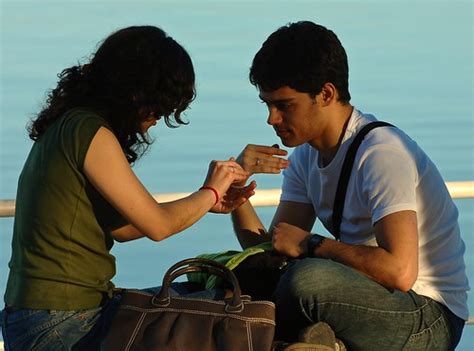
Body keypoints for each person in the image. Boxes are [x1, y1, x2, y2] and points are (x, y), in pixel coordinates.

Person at [0, 26, 254, 350]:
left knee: (210, 296)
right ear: (135, 92)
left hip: (38, 317)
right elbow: (158, 226)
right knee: (225, 309)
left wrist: (205, 203)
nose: (158, 119)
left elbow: (126, 226)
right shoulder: (89, 131)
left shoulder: (68, 127)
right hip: (62, 322)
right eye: (160, 106)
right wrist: (211, 191)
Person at [231, 21, 469, 350]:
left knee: (306, 280)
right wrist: (236, 194)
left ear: (326, 94)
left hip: (427, 316)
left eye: (284, 106)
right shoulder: (305, 156)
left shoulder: (381, 153)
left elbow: (400, 272)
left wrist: (312, 244)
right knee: (246, 275)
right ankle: (316, 340)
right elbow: (276, 249)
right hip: (366, 298)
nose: (271, 119)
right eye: (267, 105)